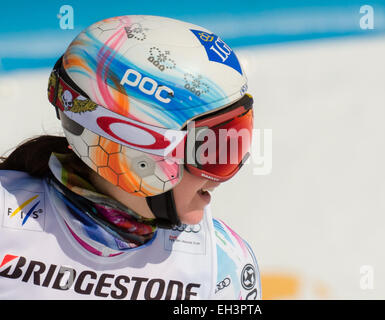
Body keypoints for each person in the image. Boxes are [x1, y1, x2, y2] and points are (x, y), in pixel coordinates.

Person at [0, 15, 261, 300]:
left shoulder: (222, 266)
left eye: (235, 144)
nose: (222, 178)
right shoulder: (7, 219)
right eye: (210, 152)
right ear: (138, 151)